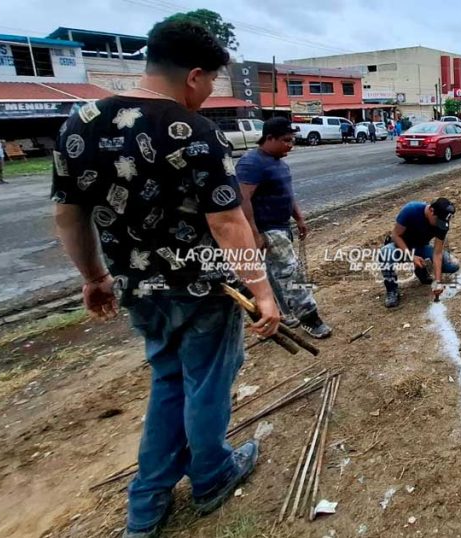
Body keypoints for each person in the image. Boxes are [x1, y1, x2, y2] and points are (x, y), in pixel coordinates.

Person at [50, 19, 280, 538]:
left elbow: (69, 213)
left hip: (136, 287)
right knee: (205, 384)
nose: (209, 92)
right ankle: (212, 475)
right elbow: (226, 221)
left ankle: (147, 505)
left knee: (168, 380)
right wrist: (262, 292)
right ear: (193, 76)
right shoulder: (193, 130)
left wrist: (93, 277)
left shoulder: (79, 122)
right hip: (203, 289)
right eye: (212, 82)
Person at [236, 117, 332, 338]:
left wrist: (299, 218)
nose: (291, 145)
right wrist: (254, 233)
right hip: (268, 230)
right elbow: (243, 199)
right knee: (290, 274)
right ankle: (310, 318)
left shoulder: (278, 161)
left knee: (275, 274)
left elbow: (287, 194)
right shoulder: (252, 162)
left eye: (292, 140)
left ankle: (281, 314)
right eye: (286, 140)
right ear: (269, 138)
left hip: (281, 226)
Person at [377, 198, 459, 308]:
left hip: (420, 248)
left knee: (452, 265)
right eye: (438, 220)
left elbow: (437, 253)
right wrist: (411, 256)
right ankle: (392, 290)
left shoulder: (442, 223)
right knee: (385, 252)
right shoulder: (411, 210)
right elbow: (395, 235)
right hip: (399, 247)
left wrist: (438, 281)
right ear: (431, 210)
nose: (440, 224)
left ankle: (421, 270)